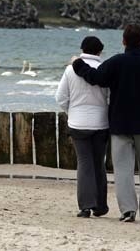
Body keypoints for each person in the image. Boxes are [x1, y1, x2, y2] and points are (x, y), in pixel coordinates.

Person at [72, 24, 140, 223]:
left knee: (123, 170)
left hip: (120, 124)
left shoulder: (116, 63)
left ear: (123, 41)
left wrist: (78, 65)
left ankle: (128, 210)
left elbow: (96, 78)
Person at [55, 36, 109, 219]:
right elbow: (110, 96)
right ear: (99, 51)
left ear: (82, 49)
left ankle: (86, 206)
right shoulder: (104, 70)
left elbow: (60, 97)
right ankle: (100, 206)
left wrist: (71, 112)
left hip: (78, 123)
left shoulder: (70, 70)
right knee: (98, 163)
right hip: (101, 123)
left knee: (84, 163)